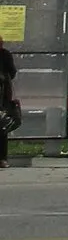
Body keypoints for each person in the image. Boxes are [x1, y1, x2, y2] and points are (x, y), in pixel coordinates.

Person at [0, 32, 17, 169]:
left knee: (2, 127)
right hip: (3, 97)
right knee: (2, 127)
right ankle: (2, 159)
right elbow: (12, 73)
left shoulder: (5, 55)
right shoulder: (5, 54)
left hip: (2, 97)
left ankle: (2, 158)